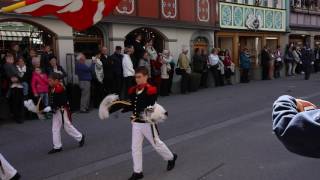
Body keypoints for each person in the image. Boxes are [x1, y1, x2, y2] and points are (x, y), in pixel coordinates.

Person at [126, 67, 177, 180]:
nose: (137, 79)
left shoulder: (151, 89)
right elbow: (133, 105)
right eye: (136, 77)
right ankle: (138, 171)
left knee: (157, 144)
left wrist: (143, 115)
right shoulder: (133, 90)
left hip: (147, 123)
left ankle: (171, 157)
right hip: (136, 124)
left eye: (139, 77)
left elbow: (152, 106)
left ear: (146, 77)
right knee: (135, 147)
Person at [47, 73, 85, 154]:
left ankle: (80, 137)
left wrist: (53, 107)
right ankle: (57, 146)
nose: (49, 82)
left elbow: (62, 101)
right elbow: (52, 99)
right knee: (55, 128)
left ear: (56, 80)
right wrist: (51, 107)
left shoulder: (60, 88)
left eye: (50, 80)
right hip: (56, 110)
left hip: (61, 110)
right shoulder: (53, 87)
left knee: (67, 126)